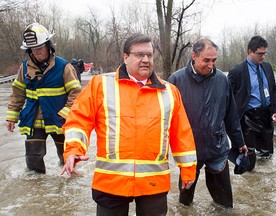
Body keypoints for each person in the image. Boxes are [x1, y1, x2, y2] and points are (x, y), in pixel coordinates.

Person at [60, 33, 197, 216]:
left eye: (149, 55)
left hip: (153, 183)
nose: (146, 60)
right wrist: (74, 150)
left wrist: (188, 170)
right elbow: (78, 120)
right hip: (111, 182)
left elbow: (182, 134)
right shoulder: (100, 85)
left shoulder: (170, 92)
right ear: (126, 57)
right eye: (139, 55)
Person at [168, 38, 248, 208]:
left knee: (225, 205)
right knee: (185, 204)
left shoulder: (222, 80)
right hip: (189, 151)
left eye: (214, 60)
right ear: (194, 56)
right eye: (206, 60)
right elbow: (166, 119)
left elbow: (231, 115)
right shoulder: (176, 80)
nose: (211, 65)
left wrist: (239, 142)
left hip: (217, 147)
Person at [5, 23, 82, 174]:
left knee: (66, 158)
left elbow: (76, 93)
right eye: (33, 50)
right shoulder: (25, 68)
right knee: (33, 161)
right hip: (34, 121)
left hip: (59, 120)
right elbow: (17, 93)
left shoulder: (63, 66)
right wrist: (12, 117)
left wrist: (65, 113)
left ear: (48, 46)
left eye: (39, 48)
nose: (36, 53)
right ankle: (37, 190)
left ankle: (67, 183)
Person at [228, 36, 276, 167]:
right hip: (247, 116)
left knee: (267, 155)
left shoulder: (267, 67)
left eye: (264, 53)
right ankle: (248, 176)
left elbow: (273, 90)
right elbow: (228, 98)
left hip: (266, 115)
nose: (262, 57)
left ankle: (265, 184)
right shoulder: (237, 71)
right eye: (259, 54)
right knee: (249, 156)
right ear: (250, 52)